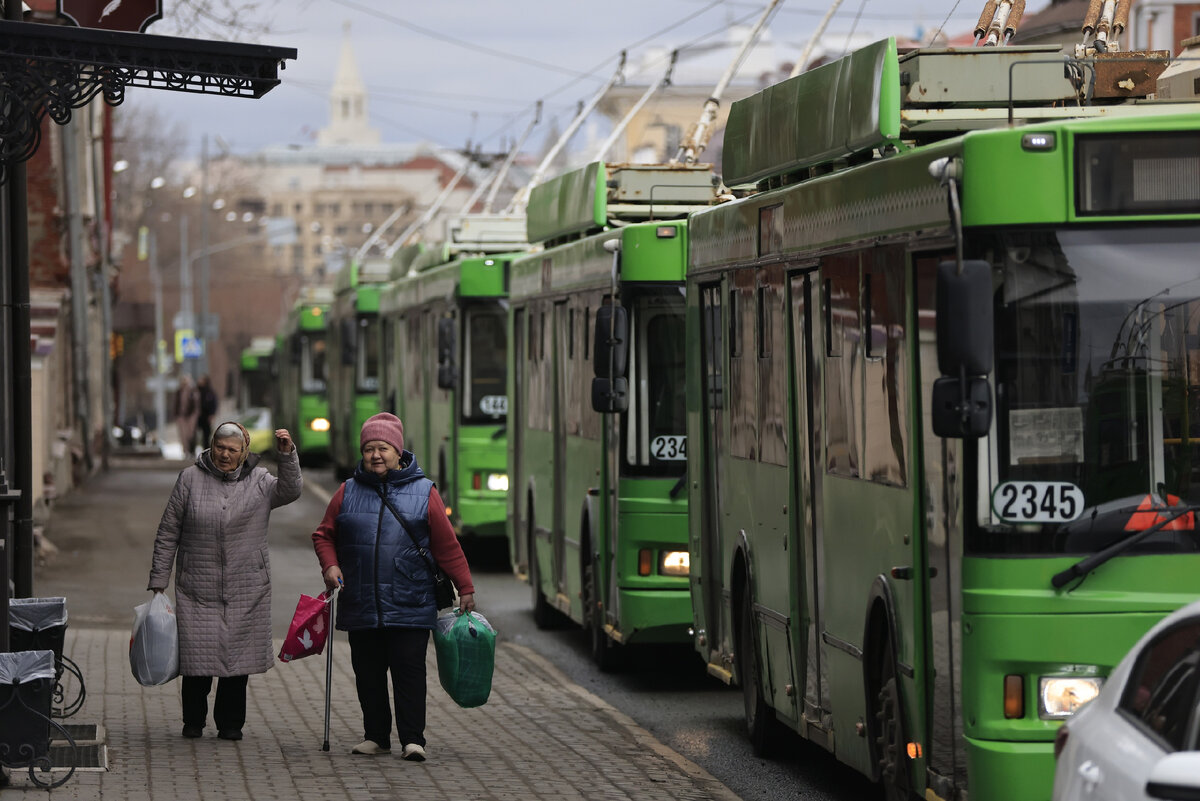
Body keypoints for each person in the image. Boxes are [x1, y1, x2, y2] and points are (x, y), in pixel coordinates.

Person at [311, 412, 475, 760]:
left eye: (382, 448)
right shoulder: (348, 491)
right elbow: (324, 535)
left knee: (409, 674)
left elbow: (447, 546)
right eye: (369, 448)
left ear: (398, 451)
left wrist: (466, 587)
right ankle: (376, 736)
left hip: (411, 601)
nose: (375, 455)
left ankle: (413, 739)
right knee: (368, 674)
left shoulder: (423, 492)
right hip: (362, 602)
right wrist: (331, 564)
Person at [148, 421, 302, 741]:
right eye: (220, 447)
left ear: (244, 451)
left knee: (237, 662)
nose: (225, 454)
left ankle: (231, 724)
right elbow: (168, 532)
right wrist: (159, 578)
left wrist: (287, 456)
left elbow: (290, 490)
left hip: (247, 586)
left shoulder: (259, 480)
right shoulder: (190, 479)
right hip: (197, 586)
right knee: (196, 661)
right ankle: (193, 721)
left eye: (233, 450)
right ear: (211, 446)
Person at [173, 374, 200, 456]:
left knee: (190, 434)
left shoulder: (193, 391)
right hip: (181, 416)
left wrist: (195, 414)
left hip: (190, 415)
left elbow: (196, 403)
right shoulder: (179, 391)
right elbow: (176, 403)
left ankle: (192, 450)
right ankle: (185, 450)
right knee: (183, 434)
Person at [196, 375, 219, 453]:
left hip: (206, 416)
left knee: (206, 434)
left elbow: (213, 404)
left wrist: (212, 414)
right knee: (195, 434)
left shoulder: (209, 392)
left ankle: (206, 450)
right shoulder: (196, 391)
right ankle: (192, 450)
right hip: (197, 416)